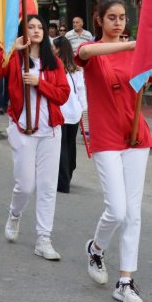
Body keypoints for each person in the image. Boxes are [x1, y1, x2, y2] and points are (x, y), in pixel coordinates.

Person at [77, 0, 152, 302]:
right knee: (117, 209)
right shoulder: (96, 52)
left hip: (137, 137)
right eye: (112, 17)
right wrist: (130, 47)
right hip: (106, 138)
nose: (118, 22)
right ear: (99, 19)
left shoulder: (138, 54)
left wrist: (150, 67)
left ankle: (125, 280)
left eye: (122, 17)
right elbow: (84, 52)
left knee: (133, 213)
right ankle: (96, 249)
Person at [0, 14, 70, 262]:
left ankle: (43, 238)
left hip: (50, 132)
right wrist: (12, 49)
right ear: (23, 32)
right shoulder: (15, 59)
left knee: (47, 187)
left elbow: (63, 95)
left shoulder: (54, 62)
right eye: (30, 27)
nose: (36, 31)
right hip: (23, 130)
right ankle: (15, 214)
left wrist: (40, 82)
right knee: (25, 185)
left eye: (39, 27)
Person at [55, 37, 86, 193]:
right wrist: (82, 109)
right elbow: (81, 91)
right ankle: (69, 173)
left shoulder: (55, 67)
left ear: (58, 49)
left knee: (61, 148)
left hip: (61, 111)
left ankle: (63, 181)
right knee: (70, 145)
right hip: (74, 112)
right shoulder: (76, 69)